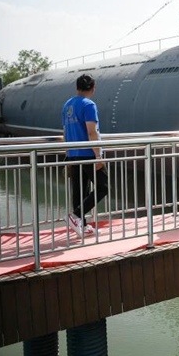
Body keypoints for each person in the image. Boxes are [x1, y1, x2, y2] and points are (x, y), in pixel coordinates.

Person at [62, 74, 107, 238]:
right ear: (93, 89)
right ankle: (75, 217)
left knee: (79, 191)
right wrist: (98, 156)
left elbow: (65, 132)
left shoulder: (67, 105)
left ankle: (83, 225)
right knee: (103, 187)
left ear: (77, 88)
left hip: (73, 153)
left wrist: (68, 153)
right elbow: (91, 132)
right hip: (88, 153)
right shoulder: (89, 105)